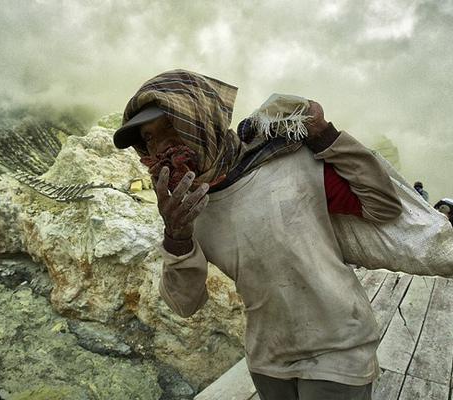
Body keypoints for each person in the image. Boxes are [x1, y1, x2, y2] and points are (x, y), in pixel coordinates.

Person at [113, 70, 402, 400]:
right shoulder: (189, 207)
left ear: (201, 118)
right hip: (268, 362)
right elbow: (184, 304)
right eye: (149, 139)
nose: (161, 147)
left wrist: (325, 136)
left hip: (339, 352)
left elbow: (383, 206)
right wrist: (177, 236)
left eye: (170, 127)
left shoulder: (292, 162)